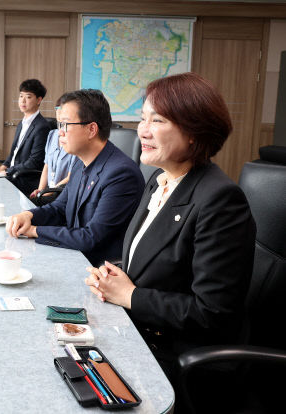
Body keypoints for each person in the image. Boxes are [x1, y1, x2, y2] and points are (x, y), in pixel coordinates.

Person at [83, 72, 256, 410]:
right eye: (143, 117)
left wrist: (131, 296)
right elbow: (148, 261)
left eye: (158, 120)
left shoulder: (220, 200)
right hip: (138, 332)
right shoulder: (161, 181)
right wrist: (112, 278)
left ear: (194, 132)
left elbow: (213, 313)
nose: (142, 130)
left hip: (177, 355)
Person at [6, 89, 144, 266]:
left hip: (98, 269)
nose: (59, 133)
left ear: (91, 129)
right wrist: (28, 216)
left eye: (65, 125)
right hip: (74, 255)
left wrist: (35, 230)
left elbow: (90, 237)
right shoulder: (80, 162)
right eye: (59, 125)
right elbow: (59, 208)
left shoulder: (121, 175)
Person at [0, 79, 51, 195]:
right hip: (13, 174)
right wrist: (3, 166)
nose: (23, 100)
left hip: (24, 178)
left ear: (39, 100)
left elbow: (35, 162)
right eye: (21, 96)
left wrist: (8, 171)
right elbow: (14, 152)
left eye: (28, 97)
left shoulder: (42, 126)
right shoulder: (22, 123)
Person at [29, 102, 76, 206]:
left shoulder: (74, 139)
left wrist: (49, 192)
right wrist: (40, 190)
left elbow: (70, 177)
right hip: (47, 192)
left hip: (61, 193)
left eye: (62, 109)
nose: (59, 112)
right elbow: (46, 166)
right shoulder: (52, 135)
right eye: (57, 109)